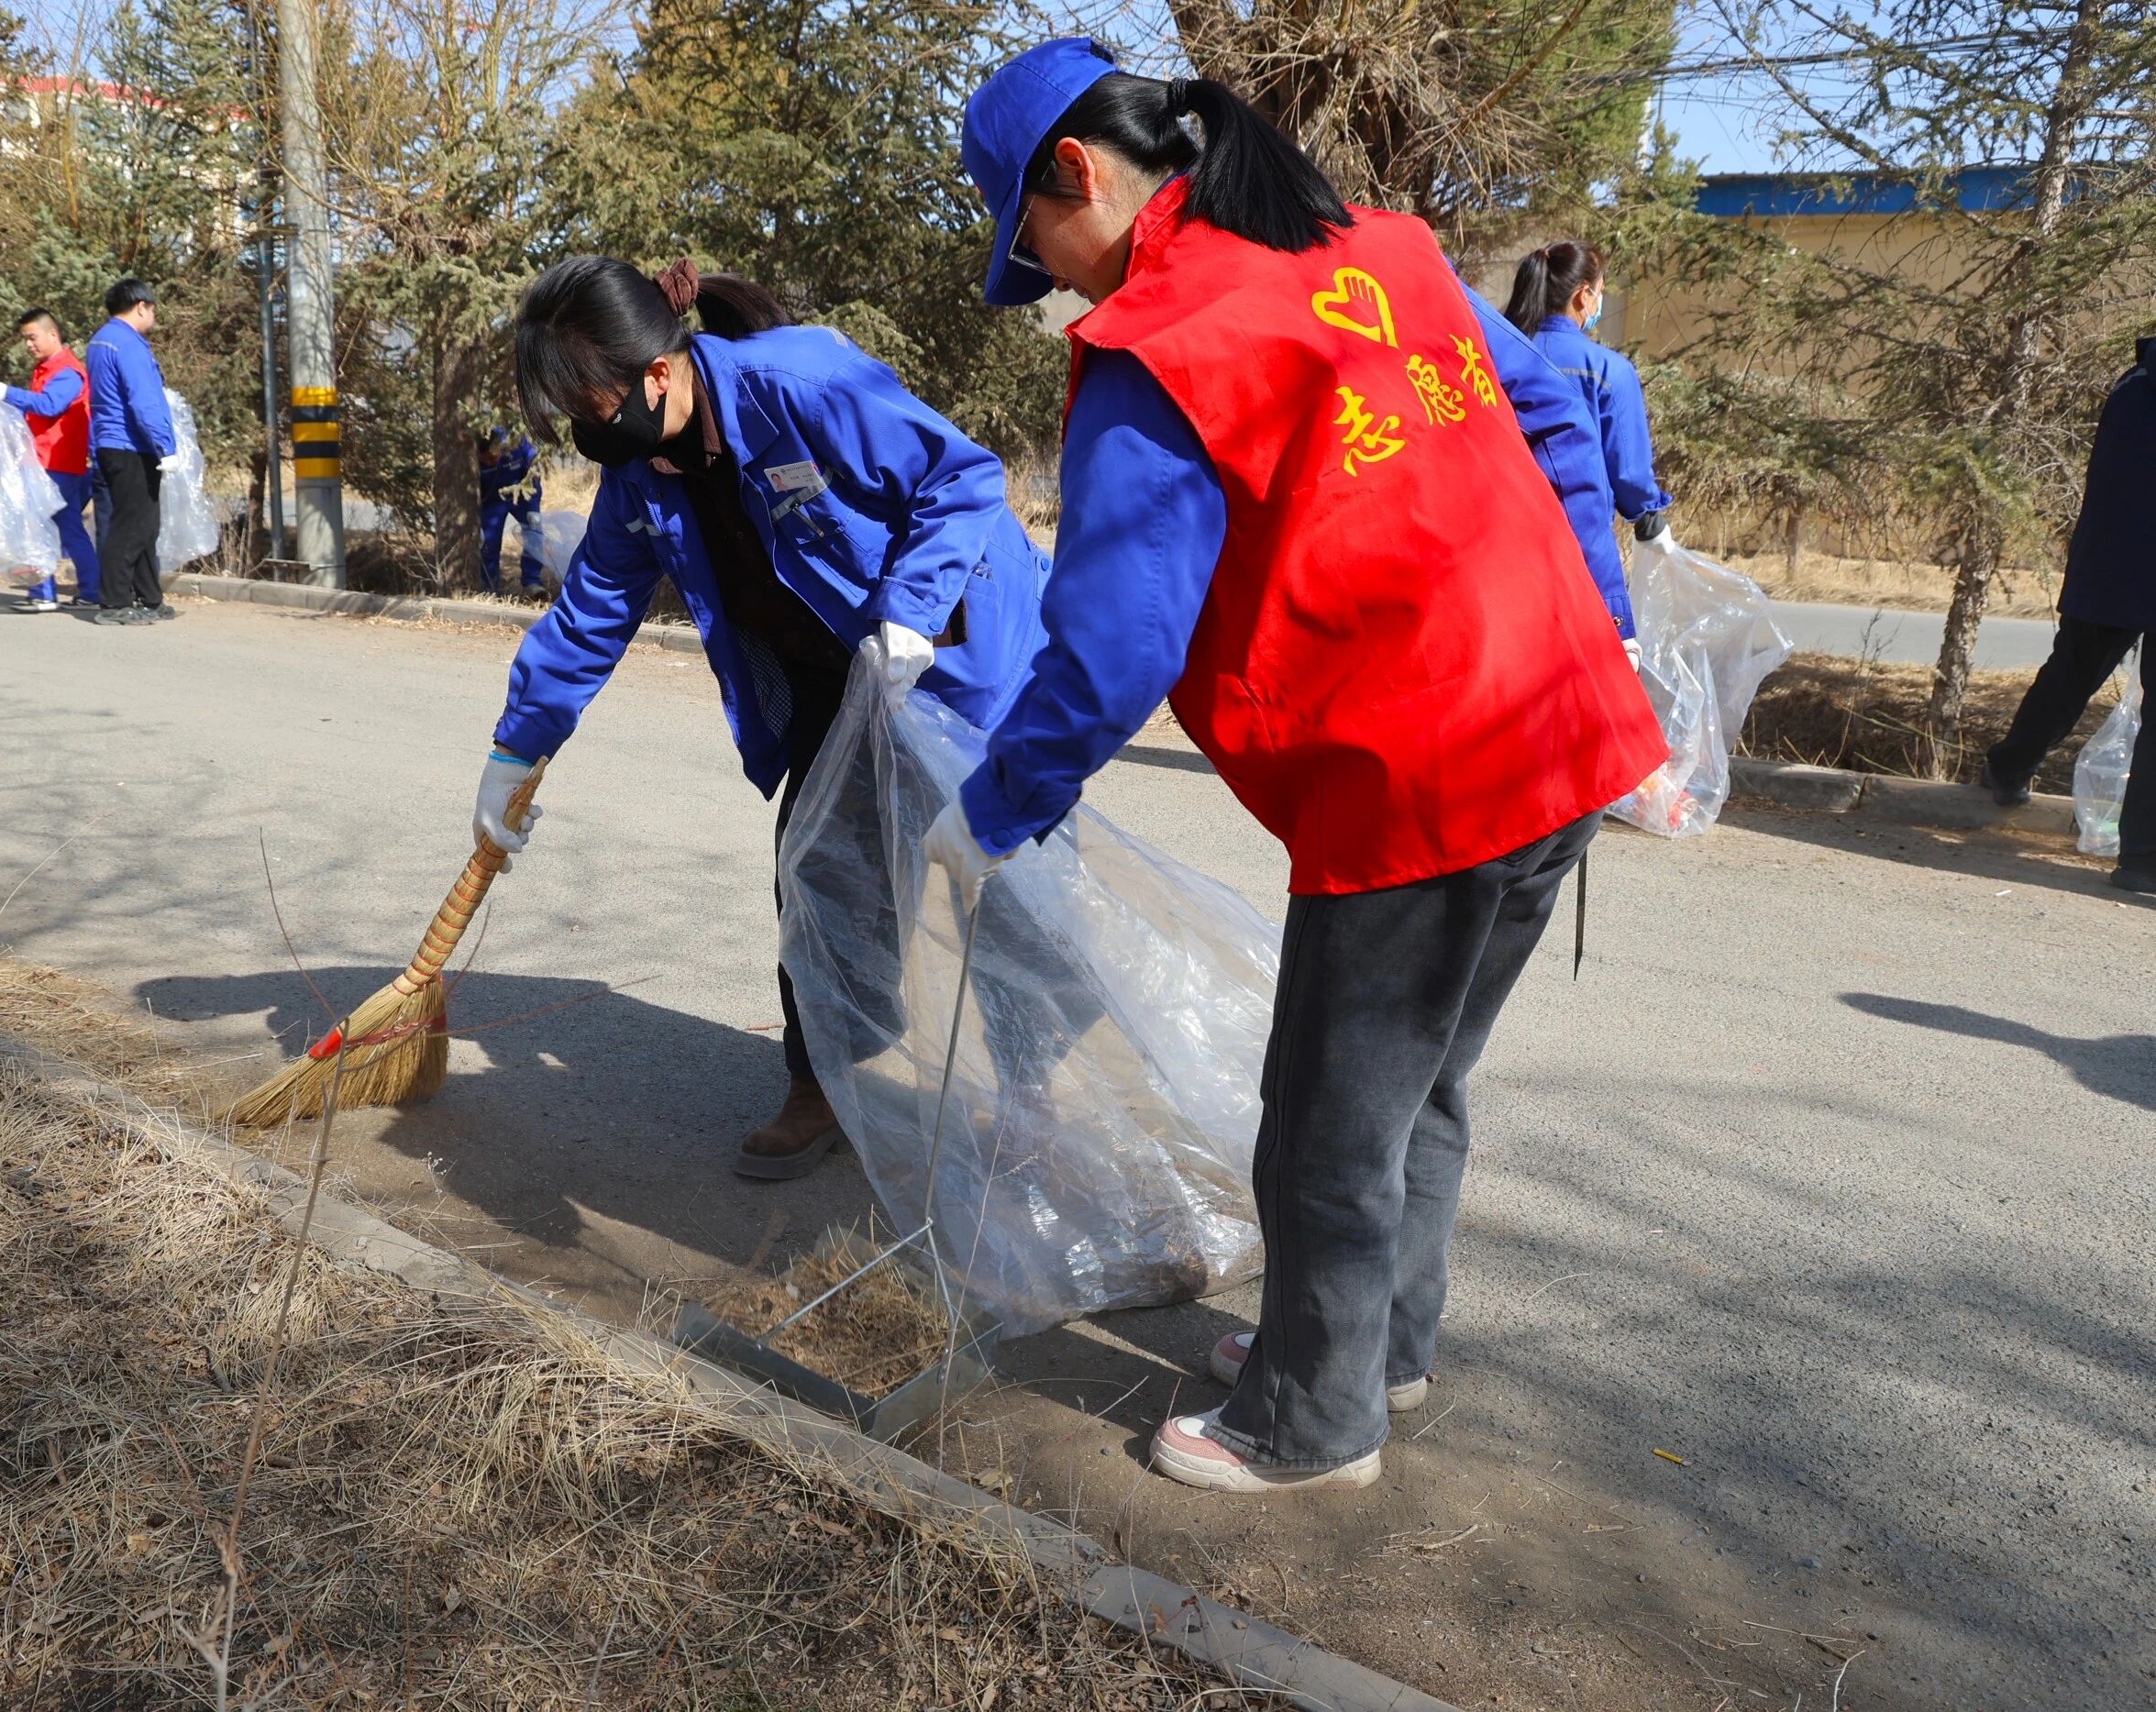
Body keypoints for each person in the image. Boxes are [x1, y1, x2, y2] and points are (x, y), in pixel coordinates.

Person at [933, 39, 1664, 1494]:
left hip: (1418, 775)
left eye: (1037, 246)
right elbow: (1551, 409)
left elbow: (1114, 641)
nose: (1055, 284)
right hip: (1561, 730)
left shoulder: (1164, 338)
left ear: (1078, 172)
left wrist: (997, 806)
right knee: (1419, 1088)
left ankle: (1313, 1423)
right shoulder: (1377, 248)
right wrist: (1601, 615)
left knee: (1327, 1118)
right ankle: (1370, 1349)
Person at [476, 256, 1050, 1177]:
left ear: (656, 374)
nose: (587, 435)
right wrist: (516, 747)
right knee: (816, 867)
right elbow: (591, 612)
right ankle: (823, 1080)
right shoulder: (643, 471)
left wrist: (910, 612)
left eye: (590, 409)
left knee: (999, 873)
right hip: (835, 671)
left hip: (956, 645)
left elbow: (963, 480)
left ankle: (1032, 1093)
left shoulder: (802, 382)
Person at [1984, 337, 2155, 894]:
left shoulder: (2134, 387)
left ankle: (2010, 768)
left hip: (2112, 567)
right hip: (2116, 562)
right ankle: (2143, 860)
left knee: (2071, 674)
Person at [1508, 239, 1675, 663]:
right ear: (1584, 295)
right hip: (1580, 548)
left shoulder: (1497, 353)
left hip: (1501, 542)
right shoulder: (1607, 369)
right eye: (1600, 291)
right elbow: (1629, 473)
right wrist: (1647, 516)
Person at [0, 308, 101, 613]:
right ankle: (92, 592)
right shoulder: (47, 369)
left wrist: (8, 393)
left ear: (52, 334)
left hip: (55, 465)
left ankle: (43, 594)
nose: (28, 344)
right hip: (53, 463)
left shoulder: (67, 372)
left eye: (32, 337)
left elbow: (50, 405)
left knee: (37, 526)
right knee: (69, 527)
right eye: (25, 339)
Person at [84, 278, 178, 627]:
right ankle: (115, 602)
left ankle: (150, 598)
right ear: (141, 307)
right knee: (133, 526)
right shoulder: (129, 344)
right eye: (153, 310)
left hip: (112, 444)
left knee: (143, 525)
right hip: (132, 445)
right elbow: (144, 400)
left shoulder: (101, 340)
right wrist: (165, 445)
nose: (154, 316)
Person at [479, 427, 547, 596]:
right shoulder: (471, 455)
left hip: (521, 496)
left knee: (534, 534)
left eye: (493, 457)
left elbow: (533, 475)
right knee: (489, 543)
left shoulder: (517, 444)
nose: (490, 462)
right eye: (485, 459)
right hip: (492, 501)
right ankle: (490, 587)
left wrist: (533, 507)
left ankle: (532, 582)